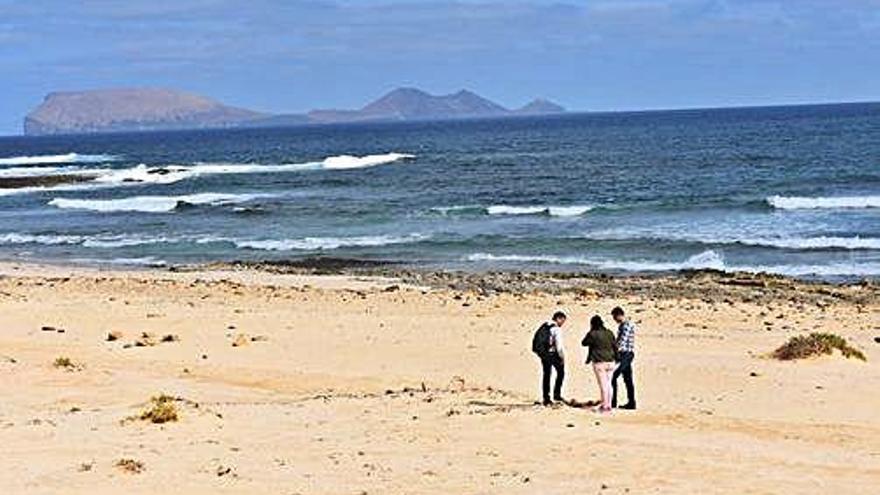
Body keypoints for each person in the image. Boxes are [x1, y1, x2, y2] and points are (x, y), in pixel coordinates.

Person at [581, 315, 618, 413]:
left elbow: (584, 343)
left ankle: (605, 406)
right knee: (609, 384)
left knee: (603, 385)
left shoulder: (593, 334)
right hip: (611, 360)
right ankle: (609, 405)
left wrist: (590, 333)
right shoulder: (609, 333)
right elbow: (615, 346)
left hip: (599, 361)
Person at [531, 311, 567, 406]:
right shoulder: (556, 329)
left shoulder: (545, 325)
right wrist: (562, 357)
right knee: (561, 372)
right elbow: (558, 346)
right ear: (558, 318)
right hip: (552, 353)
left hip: (544, 353)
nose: (562, 323)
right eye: (562, 321)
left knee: (547, 375)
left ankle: (546, 398)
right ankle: (557, 395)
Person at [611, 306, 637, 410]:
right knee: (628, 379)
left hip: (626, 354)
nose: (615, 320)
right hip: (624, 354)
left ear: (619, 315)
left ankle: (613, 402)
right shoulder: (623, 325)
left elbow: (622, 341)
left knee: (613, 376)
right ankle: (631, 403)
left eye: (615, 317)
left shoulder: (627, 325)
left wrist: (614, 351)